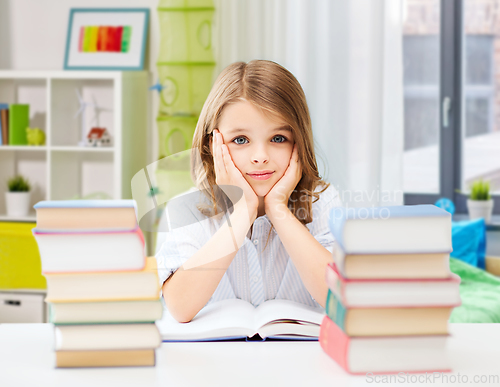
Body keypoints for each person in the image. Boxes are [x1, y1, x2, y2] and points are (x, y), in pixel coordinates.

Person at [156, 60, 342, 323]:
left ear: (299, 142)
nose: (260, 157)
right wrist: (242, 213)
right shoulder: (187, 208)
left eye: (278, 138)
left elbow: (341, 298)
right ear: (213, 145)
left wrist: (278, 209)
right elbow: (179, 306)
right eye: (240, 140)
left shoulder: (322, 202)